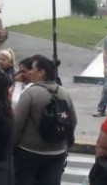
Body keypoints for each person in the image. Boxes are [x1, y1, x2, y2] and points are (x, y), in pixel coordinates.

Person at [13, 54, 77, 185]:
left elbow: (18, 124)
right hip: (58, 151)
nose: (30, 72)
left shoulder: (30, 93)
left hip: (30, 151)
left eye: (33, 69)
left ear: (42, 72)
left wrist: (13, 145)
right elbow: (73, 121)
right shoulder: (64, 92)